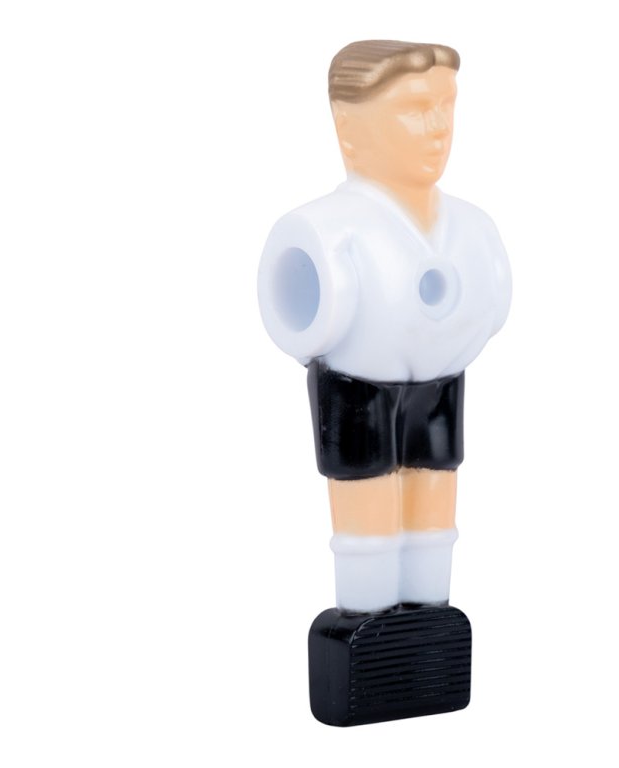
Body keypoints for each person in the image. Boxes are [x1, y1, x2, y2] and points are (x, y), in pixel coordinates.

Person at [258, 40, 512, 614]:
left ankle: (430, 614)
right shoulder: (328, 233)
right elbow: (298, 322)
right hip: (357, 392)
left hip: (440, 390)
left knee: (434, 508)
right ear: (349, 128)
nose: (438, 128)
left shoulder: (475, 231)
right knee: (366, 522)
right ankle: (364, 616)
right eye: (414, 110)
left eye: (446, 106)